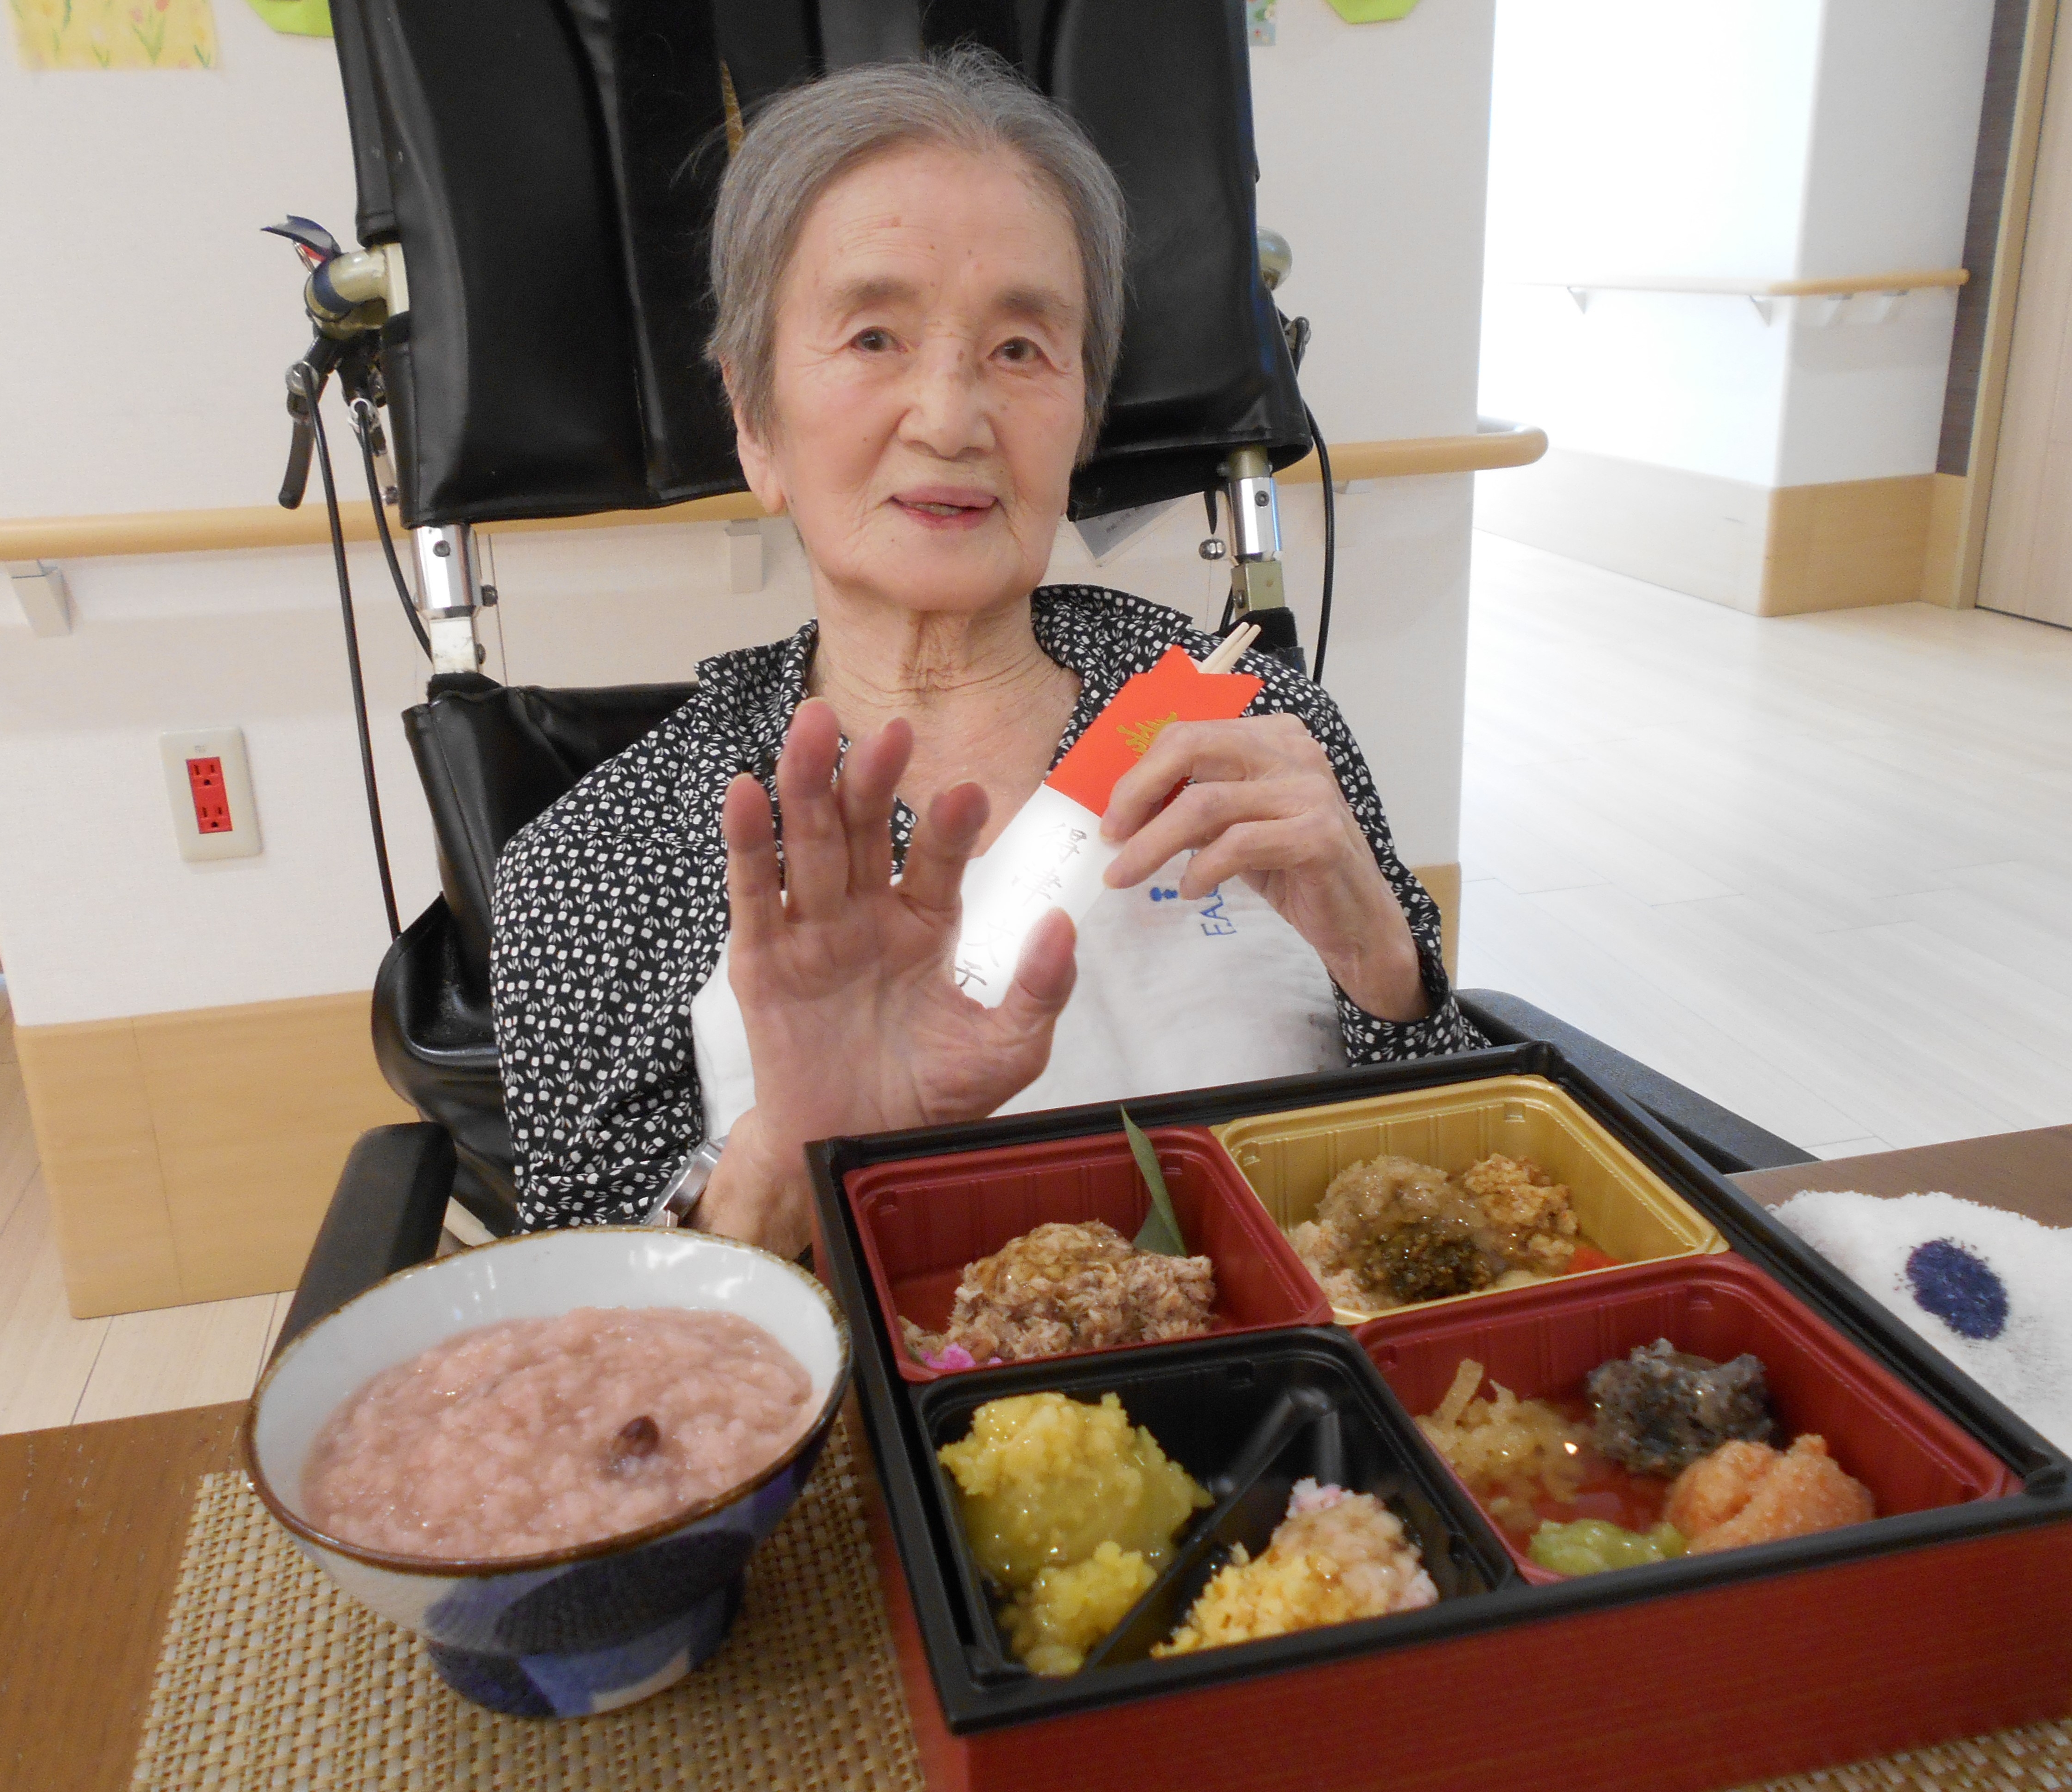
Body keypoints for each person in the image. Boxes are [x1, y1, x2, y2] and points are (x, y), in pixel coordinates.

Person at [491, 50, 1481, 1258]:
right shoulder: (594, 872)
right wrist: (777, 1168)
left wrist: (1388, 965)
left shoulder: (1249, 718)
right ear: (754, 420)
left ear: (1081, 412)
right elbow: (603, 1380)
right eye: (872, 337)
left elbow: (1464, 1191)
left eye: (1021, 350)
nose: (954, 419)